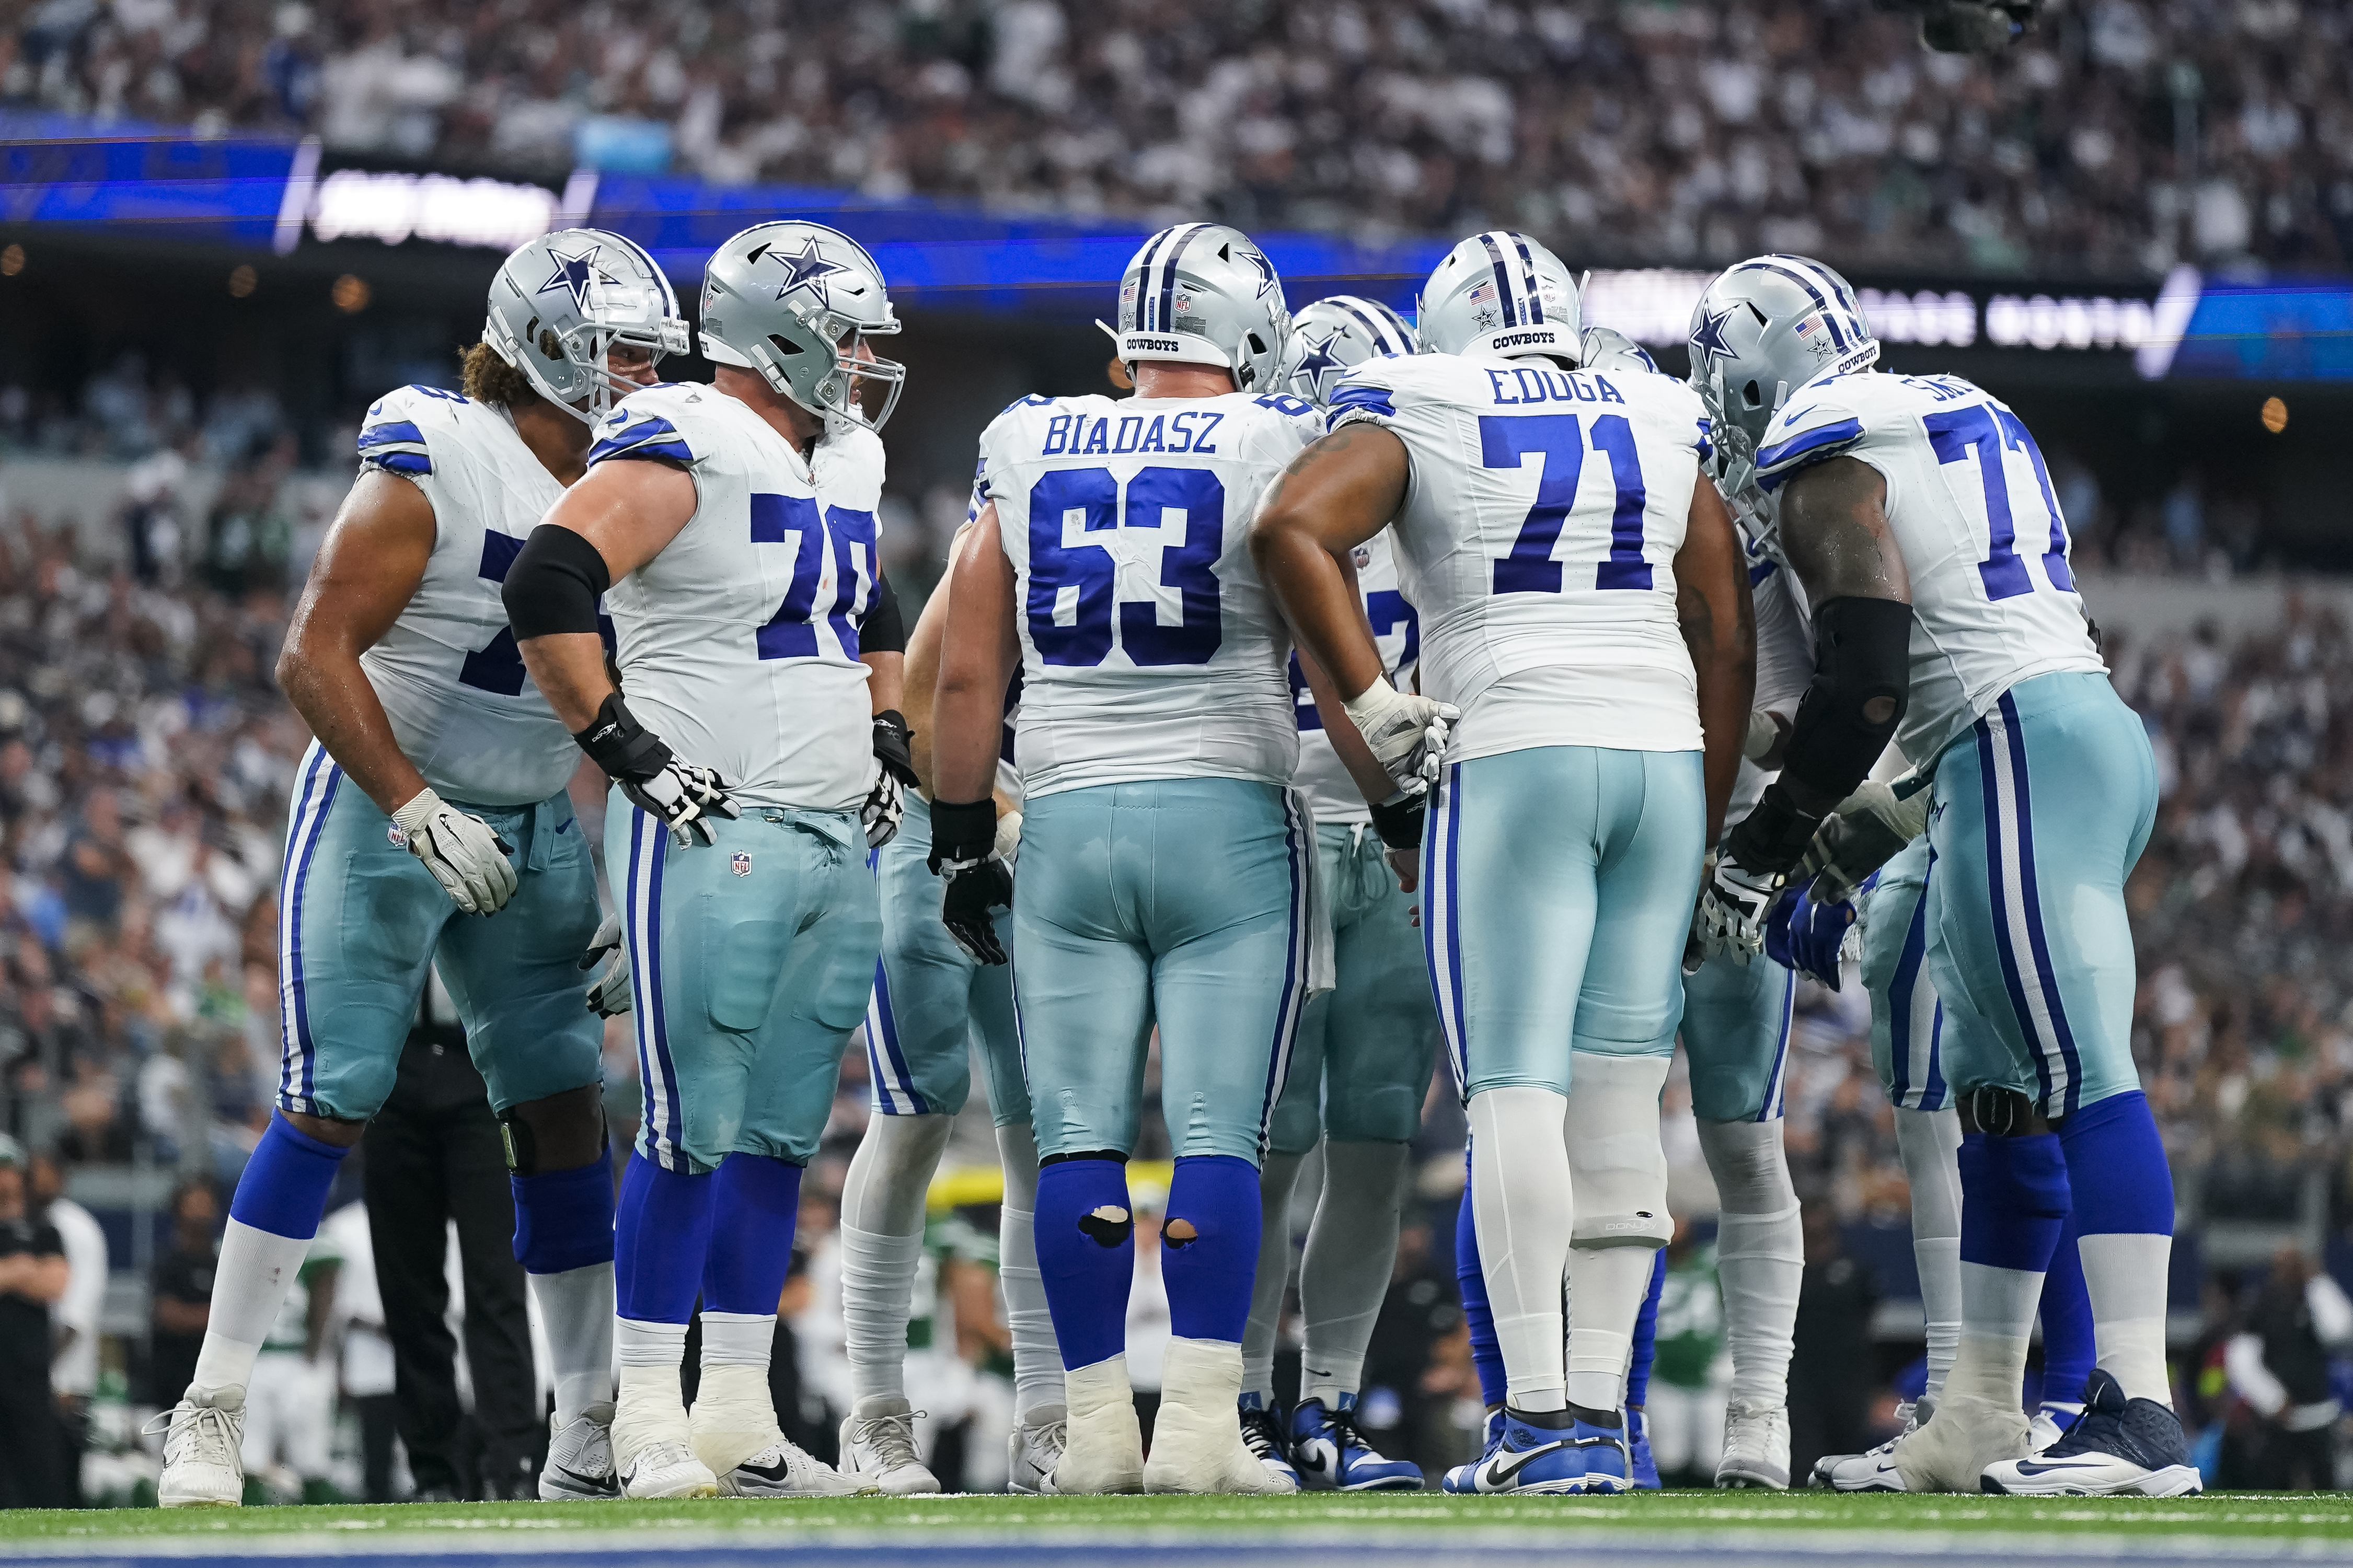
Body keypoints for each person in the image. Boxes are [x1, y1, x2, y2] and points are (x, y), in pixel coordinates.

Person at [153, 228, 686, 1508]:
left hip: (533, 809)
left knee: (563, 1100)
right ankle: (211, 1406)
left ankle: (581, 1426)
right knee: (331, 1089)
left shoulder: (645, 481)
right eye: (614, 347)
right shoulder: (442, 449)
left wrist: (622, 864)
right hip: (385, 796)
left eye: (644, 351)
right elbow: (311, 650)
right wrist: (411, 804)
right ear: (541, 342)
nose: (634, 373)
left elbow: (645, 691)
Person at [1686, 252, 2195, 1496]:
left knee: (2079, 1071)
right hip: (2044, 735)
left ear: (1756, 377)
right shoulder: (1957, 403)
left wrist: (1761, 843)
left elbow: (1867, 659)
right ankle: (1979, 1406)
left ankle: (2137, 1410)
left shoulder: (1823, 434)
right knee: (2003, 1094)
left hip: (2011, 738)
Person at [1253, 230, 1754, 1495]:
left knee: (1513, 1097)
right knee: (1621, 1104)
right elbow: (1725, 625)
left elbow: (1292, 526)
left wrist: (1370, 700)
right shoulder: (1651, 399)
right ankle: (1603, 1419)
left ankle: (1537, 1413)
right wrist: (1698, 810)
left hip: (1518, 743)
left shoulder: (1427, 394)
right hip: (1657, 750)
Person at [507, 218, 903, 1500]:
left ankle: (739, 1413)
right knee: (687, 1124)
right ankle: (642, 1414)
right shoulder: (690, 431)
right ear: (776, 330)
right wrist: (620, 742)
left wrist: (888, 727)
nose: (860, 358)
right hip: (712, 822)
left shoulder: (837, 456)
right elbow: (553, 576)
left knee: (781, 1132)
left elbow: (865, 601)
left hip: (834, 831)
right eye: (843, 331)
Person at [927, 221, 1323, 1495]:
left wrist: (957, 835)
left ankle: (1096, 1434)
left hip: (1067, 813)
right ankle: (1202, 1430)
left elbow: (971, 661)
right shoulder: (1271, 440)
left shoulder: (1027, 437)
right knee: (1217, 1130)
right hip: (1226, 810)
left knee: (1079, 1135)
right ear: (1248, 332)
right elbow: (1325, 624)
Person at [1585, 321, 1810, 1491]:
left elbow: (1777, 709)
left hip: (1698, 861)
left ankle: (1752, 1417)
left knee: (1734, 1142)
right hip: (1633, 852)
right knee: (1607, 1147)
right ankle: (1593, 1412)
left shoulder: (1733, 535)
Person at [1240, 293, 1431, 1492]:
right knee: (1268, 1136)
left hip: (1401, 834)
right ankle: (1243, 1394)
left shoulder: (1437, 502)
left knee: (1373, 1139)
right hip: (1286, 823)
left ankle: (1328, 1402)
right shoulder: (1250, 505)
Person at [834, 530, 1065, 1495]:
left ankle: (1049, 1418)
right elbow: (921, 716)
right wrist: (998, 820)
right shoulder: (996, 557)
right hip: (938, 833)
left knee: (1046, 1135)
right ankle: (873, 1412)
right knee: (916, 1112)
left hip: (1047, 845)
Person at [362, 976, 540, 1499]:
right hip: (389, 1059)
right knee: (407, 1286)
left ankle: (512, 1463)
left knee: (496, 1276)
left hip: (482, 1056)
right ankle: (433, 1469)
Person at [240, 1216, 341, 1502]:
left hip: (297, 1355)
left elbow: (326, 1290)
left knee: (311, 1457)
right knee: (249, 1457)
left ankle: (322, 1518)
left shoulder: (318, 1240)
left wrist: (315, 1352)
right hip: (257, 1356)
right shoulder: (244, 1232)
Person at [32, 1151, 107, 1506]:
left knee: (62, 1480)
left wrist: (41, 1368)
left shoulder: (76, 1227)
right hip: (36, 1370)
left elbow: (77, 1314)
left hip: (65, 1374)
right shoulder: (32, 1222)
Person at [0, 1134, 68, 1507]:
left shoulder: (43, 1228)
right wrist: (22, 1269)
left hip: (28, 1366)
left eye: (9, 1169)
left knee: (37, 1466)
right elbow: (37, 1276)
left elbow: (56, 1282)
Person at [149, 1180, 220, 1417]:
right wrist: (218, 1317)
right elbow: (169, 1316)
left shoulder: (223, 1263)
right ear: (177, 1211)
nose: (201, 1213)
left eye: (206, 1205)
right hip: (174, 1379)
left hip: (217, 1379)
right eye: (194, 1205)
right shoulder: (167, 1262)